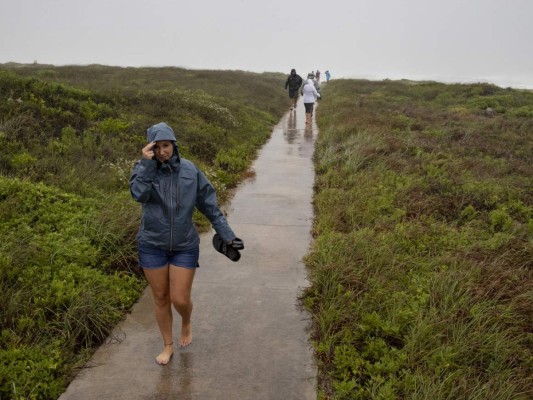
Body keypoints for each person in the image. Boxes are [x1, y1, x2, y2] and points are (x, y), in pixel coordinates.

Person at [130, 122, 242, 365]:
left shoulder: (190, 171)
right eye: (156, 147)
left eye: (166, 145)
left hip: (184, 245)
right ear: (149, 148)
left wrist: (226, 234)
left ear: (174, 145)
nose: (162, 152)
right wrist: (147, 165)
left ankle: (187, 321)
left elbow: (209, 204)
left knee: (180, 299)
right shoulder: (143, 169)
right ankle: (168, 345)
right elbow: (138, 194)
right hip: (152, 244)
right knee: (160, 298)